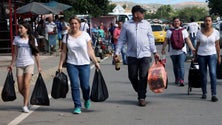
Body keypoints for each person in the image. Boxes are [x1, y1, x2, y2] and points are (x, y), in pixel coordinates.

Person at [114, 5, 159, 107]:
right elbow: (121, 40)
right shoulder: (127, 25)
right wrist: (117, 52)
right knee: (132, 76)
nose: (143, 14)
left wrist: (155, 52)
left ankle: (141, 97)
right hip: (132, 55)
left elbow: (151, 39)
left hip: (145, 54)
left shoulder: (147, 24)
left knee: (143, 76)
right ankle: (140, 90)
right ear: (136, 14)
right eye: (141, 13)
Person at [58, 16, 100, 114]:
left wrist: (95, 62)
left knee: (85, 86)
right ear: (70, 25)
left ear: (79, 24)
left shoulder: (85, 35)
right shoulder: (66, 36)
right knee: (75, 85)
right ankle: (77, 105)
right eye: (72, 23)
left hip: (84, 64)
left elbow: (90, 50)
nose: (74, 25)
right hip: (71, 64)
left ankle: (86, 98)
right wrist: (60, 65)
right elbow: (63, 52)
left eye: (76, 23)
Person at [8, 21, 41, 113]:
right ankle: (28, 98)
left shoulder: (32, 39)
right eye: (19, 28)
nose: (19, 30)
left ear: (26, 29)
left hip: (29, 64)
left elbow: (36, 54)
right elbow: (15, 53)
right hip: (19, 65)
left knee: (26, 84)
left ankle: (25, 105)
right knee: (20, 87)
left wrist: (39, 66)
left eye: (21, 28)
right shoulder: (17, 39)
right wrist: (11, 64)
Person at [161, 17, 195, 87]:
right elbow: (166, 41)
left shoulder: (183, 30)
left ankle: (181, 80)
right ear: (173, 22)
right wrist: (163, 49)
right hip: (172, 52)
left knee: (181, 65)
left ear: (180, 22)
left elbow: (188, 40)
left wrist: (192, 49)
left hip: (182, 51)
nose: (176, 22)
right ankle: (177, 79)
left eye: (178, 21)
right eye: (175, 21)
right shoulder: (169, 31)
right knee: (176, 66)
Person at [195, 16, 221, 102]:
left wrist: (219, 56)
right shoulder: (199, 32)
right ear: (204, 22)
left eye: (209, 21)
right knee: (203, 74)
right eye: (206, 21)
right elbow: (197, 45)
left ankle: (214, 94)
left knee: (213, 74)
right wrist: (195, 56)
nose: (208, 22)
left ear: (212, 22)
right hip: (201, 55)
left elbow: (217, 45)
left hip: (212, 55)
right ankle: (204, 92)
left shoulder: (216, 32)